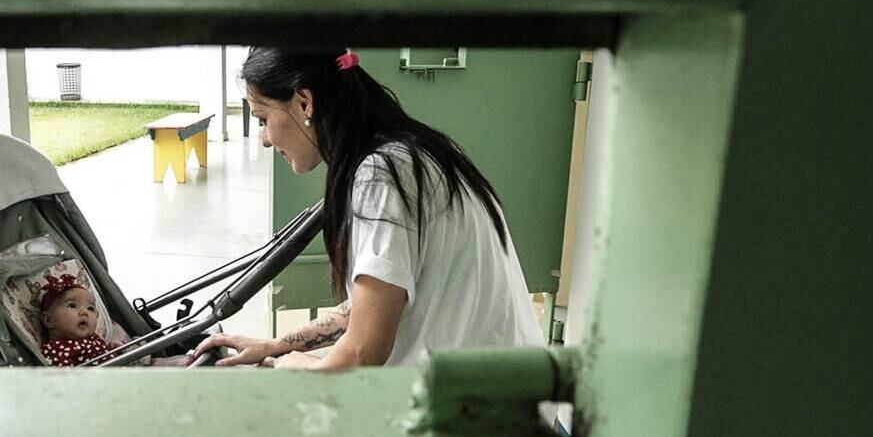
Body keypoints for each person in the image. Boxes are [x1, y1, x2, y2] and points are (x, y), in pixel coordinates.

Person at [192, 48, 542, 370]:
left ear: (304, 102)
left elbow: (363, 351)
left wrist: (294, 368)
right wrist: (279, 346)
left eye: (263, 118)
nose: (265, 139)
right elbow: (369, 308)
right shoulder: (409, 152)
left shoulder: (382, 175)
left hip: (487, 421)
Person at [39, 272, 115, 366]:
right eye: (72, 306)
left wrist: (113, 350)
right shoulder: (55, 350)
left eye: (90, 308)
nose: (84, 312)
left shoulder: (94, 339)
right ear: (49, 320)